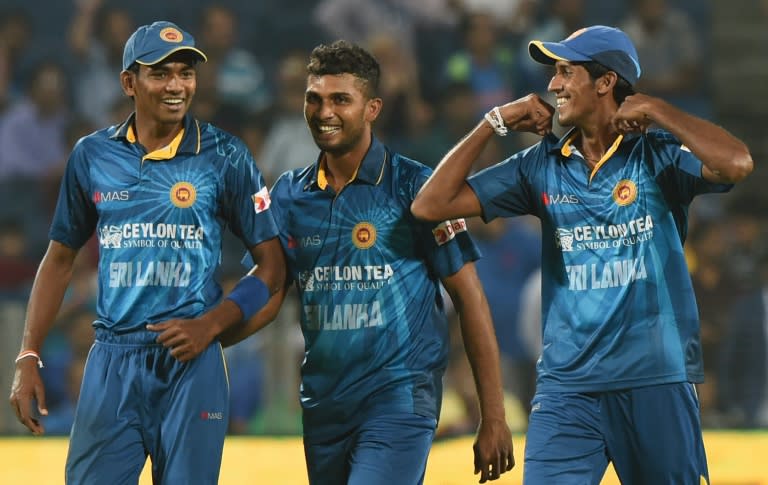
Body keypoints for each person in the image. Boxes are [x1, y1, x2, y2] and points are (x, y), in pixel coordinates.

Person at [411, 25, 753, 484]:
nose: (553, 86)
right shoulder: (540, 165)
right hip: (566, 389)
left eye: (565, 72)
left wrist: (656, 108)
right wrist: (495, 121)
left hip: (655, 380)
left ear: (606, 82)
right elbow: (428, 206)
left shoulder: (658, 156)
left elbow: (737, 163)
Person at [221, 40, 513, 484]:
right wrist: (211, 337)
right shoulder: (288, 194)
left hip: (398, 399)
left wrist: (493, 416)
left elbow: (469, 295)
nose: (324, 112)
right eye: (314, 99)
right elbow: (271, 290)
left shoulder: (420, 187)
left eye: (341, 99)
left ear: (372, 107)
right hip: (323, 407)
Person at [8, 21, 285, 484]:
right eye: (160, 74)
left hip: (191, 366)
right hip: (112, 362)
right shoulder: (92, 156)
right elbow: (59, 260)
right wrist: (28, 355)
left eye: (185, 73)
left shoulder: (226, 156)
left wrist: (212, 326)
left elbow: (273, 266)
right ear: (128, 82)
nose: (177, 85)